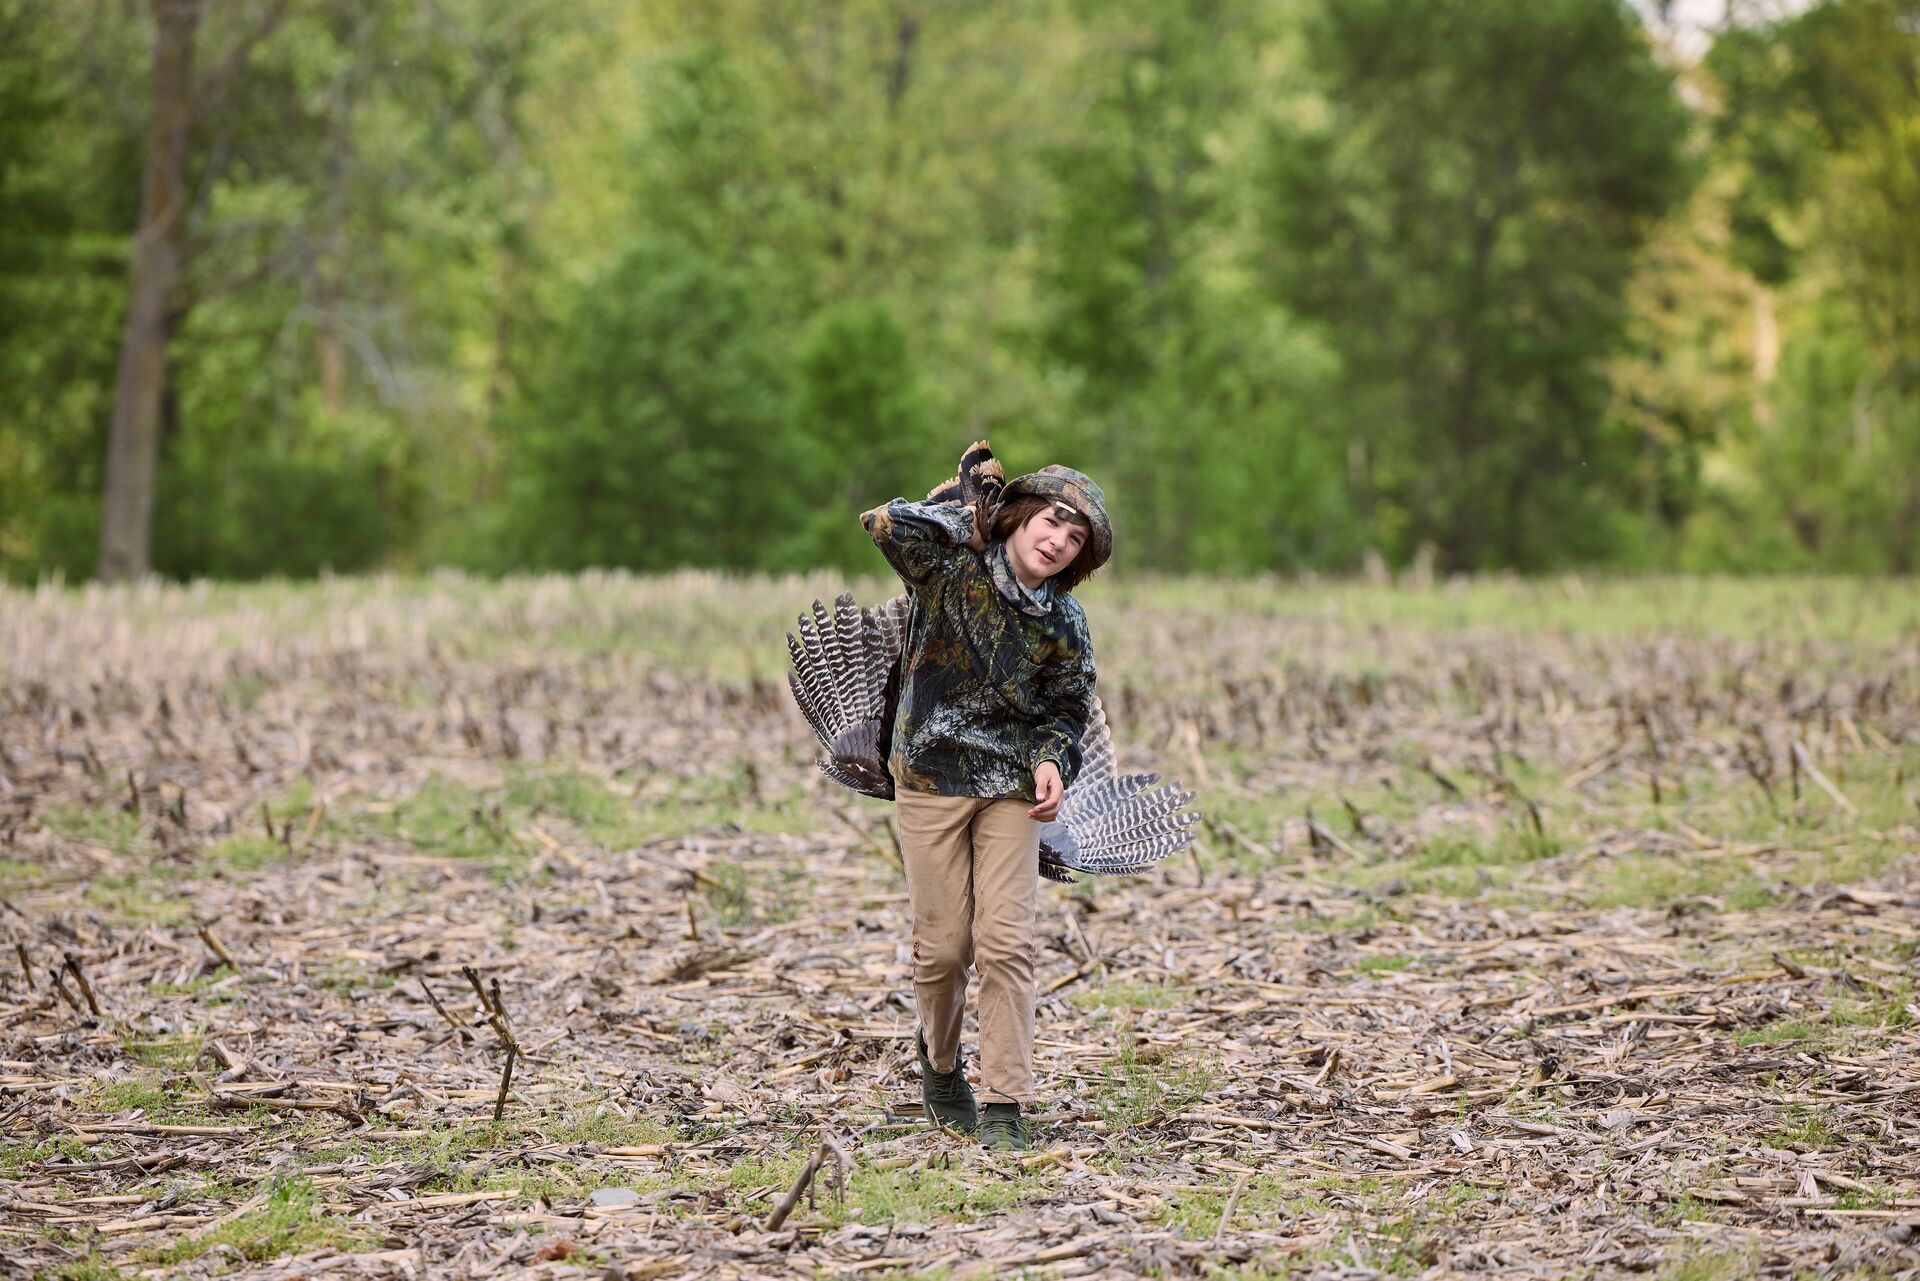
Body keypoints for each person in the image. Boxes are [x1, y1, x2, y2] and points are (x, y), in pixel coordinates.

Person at [858, 455, 1112, 1152]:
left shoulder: (1064, 618)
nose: (1058, 540)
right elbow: (884, 524)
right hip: (931, 777)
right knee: (943, 952)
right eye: (1051, 521)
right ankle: (941, 1069)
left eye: (1075, 538)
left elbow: (1069, 706)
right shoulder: (950, 569)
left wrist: (1053, 758)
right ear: (1020, 517)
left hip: (1011, 787)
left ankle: (1004, 1102)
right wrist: (964, 518)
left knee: (1006, 944)